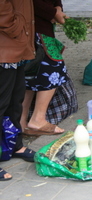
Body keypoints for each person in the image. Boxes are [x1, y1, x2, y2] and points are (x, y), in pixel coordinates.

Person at [21, 0, 70, 135]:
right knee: (53, 69)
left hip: (34, 27)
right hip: (33, 28)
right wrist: (53, 13)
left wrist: (58, 8)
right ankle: (38, 119)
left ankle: (21, 123)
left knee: (29, 75)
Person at [0, 0, 36, 181]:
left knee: (15, 100)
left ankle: (15, 145)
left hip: (15, 46)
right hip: (5, 44)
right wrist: (16, 26)